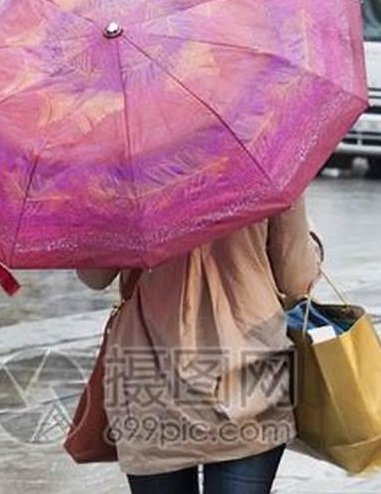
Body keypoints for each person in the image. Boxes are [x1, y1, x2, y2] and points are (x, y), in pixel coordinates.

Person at [77, 195, 323, 494]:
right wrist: (311, 244)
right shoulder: (263, 163)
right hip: (249, 368)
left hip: (150, 371)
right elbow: (296, 280)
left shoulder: (125, 175)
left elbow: (95, 276)